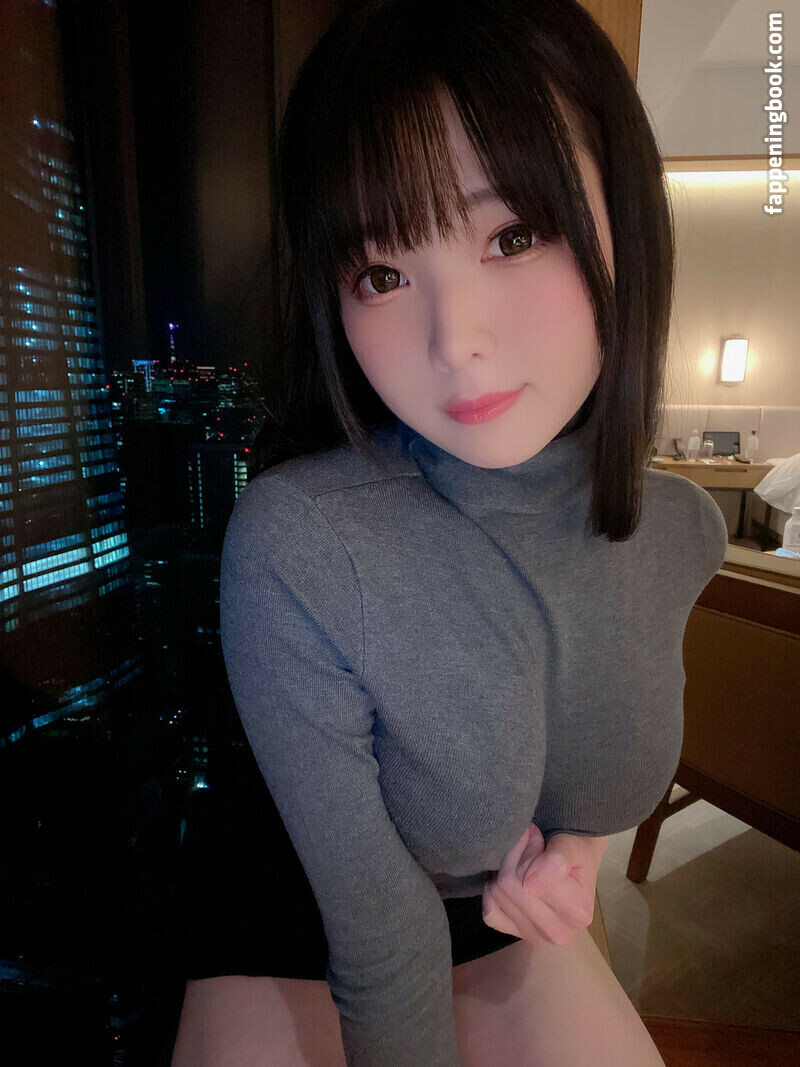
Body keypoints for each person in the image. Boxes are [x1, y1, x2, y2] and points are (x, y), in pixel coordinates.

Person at [170, 0, 728, 1064]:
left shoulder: (676, 530)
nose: (455, 342)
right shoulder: (307, 542)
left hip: (487, 925)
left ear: (623, 216)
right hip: (296, 922)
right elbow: (380, 936)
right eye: (381, 275)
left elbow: (587, 729)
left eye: (512, 235)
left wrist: (575, 851)